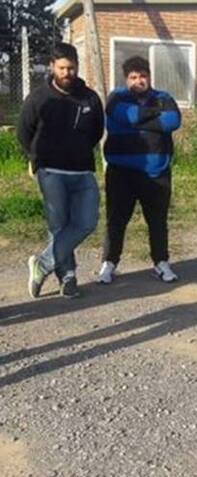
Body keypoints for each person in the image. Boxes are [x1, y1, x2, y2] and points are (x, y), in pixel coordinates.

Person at [18, 42, 103, 299]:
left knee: (87, 222)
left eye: (72, 68)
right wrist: (37, 158)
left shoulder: (89, 97)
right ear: (53, 67)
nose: (68, 73)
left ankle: (42, 263)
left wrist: (77, 150)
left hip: (82, 170)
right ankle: (68, 277)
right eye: (63, 68)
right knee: (58, 225)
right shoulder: (39, 98)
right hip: (51, 171)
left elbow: (96, 131)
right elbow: (24, 132)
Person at [97, 56, 181, 284]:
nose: (138, 81)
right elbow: (125, 115)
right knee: (116, 220)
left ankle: (161, 262)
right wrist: (152, 115)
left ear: (149, 76)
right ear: (126, 79)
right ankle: (109, 263)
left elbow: (172, 121)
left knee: (157, 221)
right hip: (121, 173)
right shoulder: (116, 98)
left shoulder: (163, 97)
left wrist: (135, 120)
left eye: (142, 76)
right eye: (133, 77)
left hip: (156, 172)